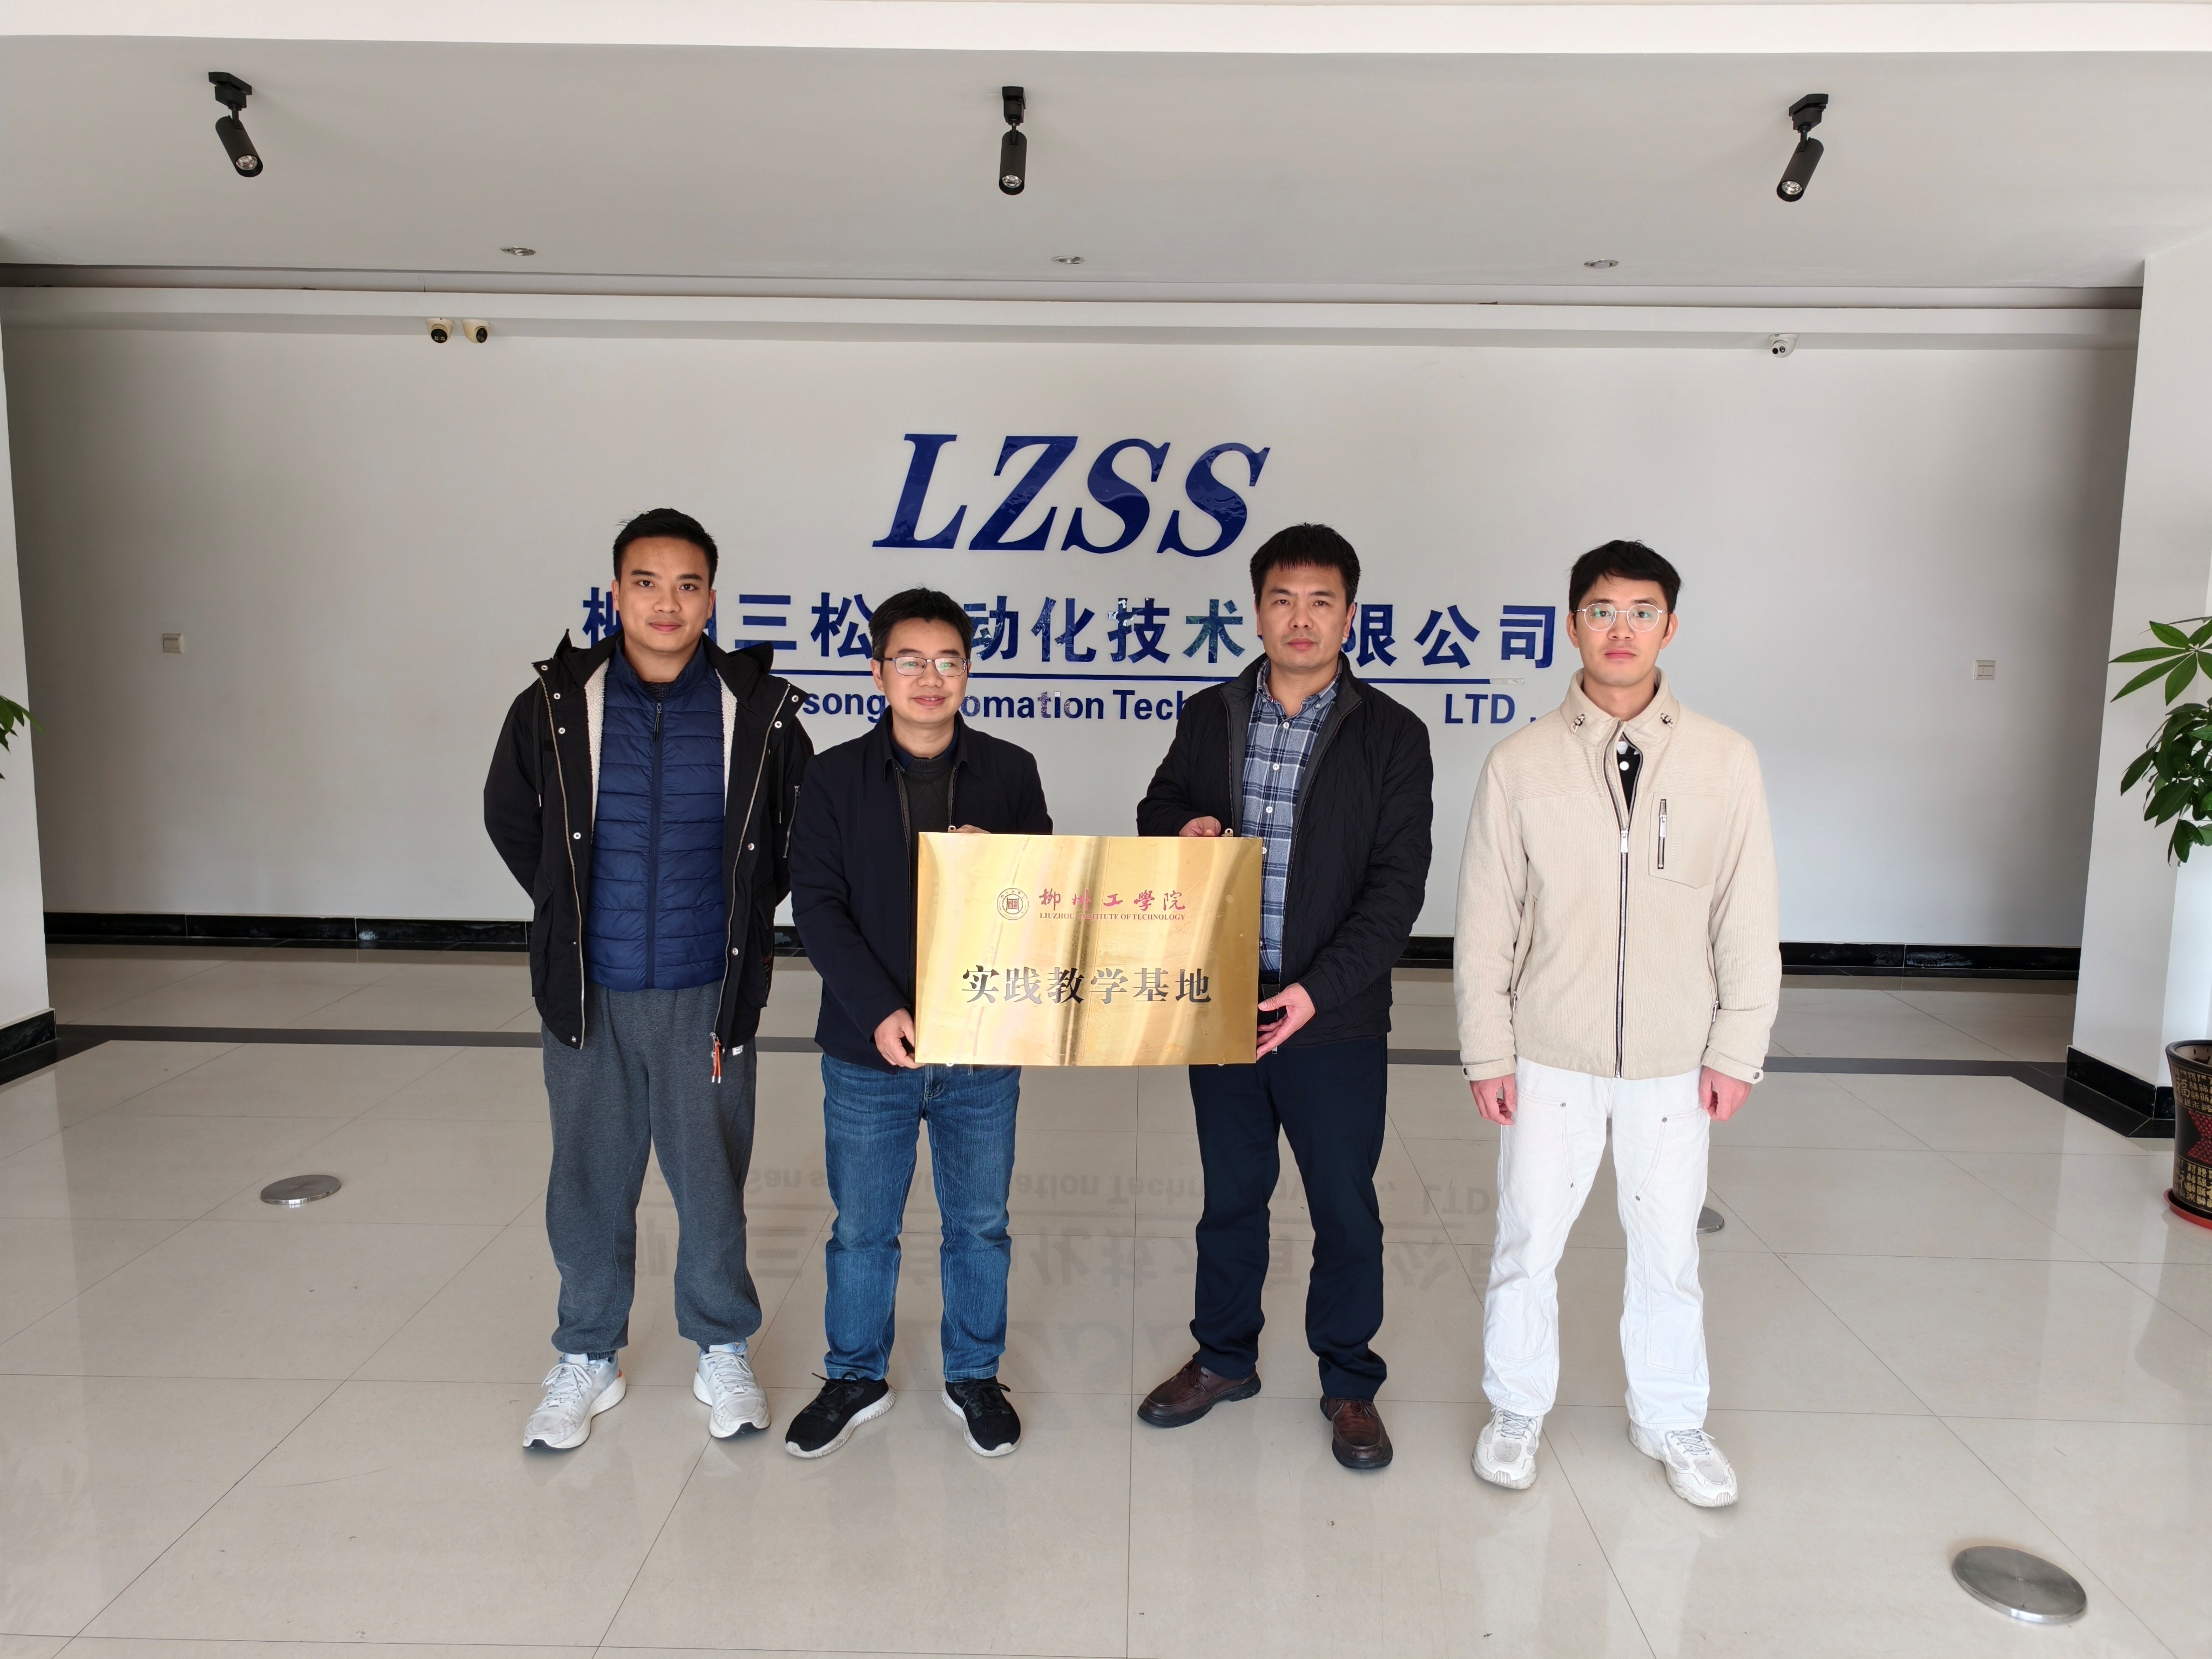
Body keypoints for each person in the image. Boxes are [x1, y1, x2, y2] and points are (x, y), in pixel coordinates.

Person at [1455, 538, 1778, 1508]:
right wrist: (1487, 1049)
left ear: (1670, 627)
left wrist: (1737, 1048)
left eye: (1642, 612)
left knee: (1669, 1250)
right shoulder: (1519, 764)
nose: (1621, 629)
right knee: (1528, 1241)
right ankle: (1516, 1407)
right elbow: (1486, 919)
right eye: (1602, 611)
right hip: (1550, 1052)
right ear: (1573, 626)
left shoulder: (1724, 760)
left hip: (1675, 1059)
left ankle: (1671, 1418)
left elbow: (1747, 912)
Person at [484, 507, 811, 1451]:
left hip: (709, 987)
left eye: (687, 585)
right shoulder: (559, 701)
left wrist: (736, 921)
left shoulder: (758, 709)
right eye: (646, 582)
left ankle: (722, 1345)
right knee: (588, 1176)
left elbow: (791, 838)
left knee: (711, 1179)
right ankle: (587, 1353)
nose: (667, 603)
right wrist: (566, 909)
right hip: (591, 990)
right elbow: (511, 815)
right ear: (615, 593)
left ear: (712, 598)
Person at [1134, 524, 1434, 1471]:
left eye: (1320, 602)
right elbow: (1155, 809)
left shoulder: (1392, 735)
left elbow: (1397, 891)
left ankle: (1349, 1380)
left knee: (1345, 1206)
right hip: (1220, 1005)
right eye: (1282, 600)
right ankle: (1224, 1358)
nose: (1300, 619)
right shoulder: (1211, 713)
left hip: (1332, 1018)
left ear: (1350, 615)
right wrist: (1183, 827)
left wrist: (1314, 993)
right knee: (1231, 1197)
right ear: (1256, 611)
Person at [786, 588, 1053, 1459]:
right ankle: (854, 1375)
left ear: (968, 672)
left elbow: (1044, 898)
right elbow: (818, 906)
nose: (929, 677)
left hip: (983, 1044)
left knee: (979, 1223)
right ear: (878, 672)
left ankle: (973, 1373)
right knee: (863, 1227)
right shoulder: (832, 777)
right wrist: (879, 1010)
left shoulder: (1011, 772)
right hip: (869, 1049)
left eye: (948, 661)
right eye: (909, 660)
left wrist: (998, 863)